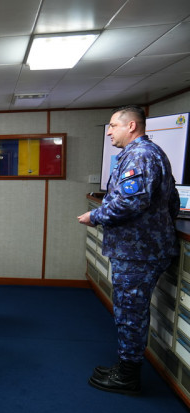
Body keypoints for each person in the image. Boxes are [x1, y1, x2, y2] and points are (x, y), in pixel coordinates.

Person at [77, 105, 179, 395]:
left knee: (130, 313)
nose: (109, 132)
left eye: (113, 126)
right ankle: (125, 367)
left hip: (138, 252)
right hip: (144, 247)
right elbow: (171, 200)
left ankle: (128, 376)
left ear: (131, 126)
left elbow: (130, 202)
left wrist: (95, 216)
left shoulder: (140, 155)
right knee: (130, 309)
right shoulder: (150, 153)